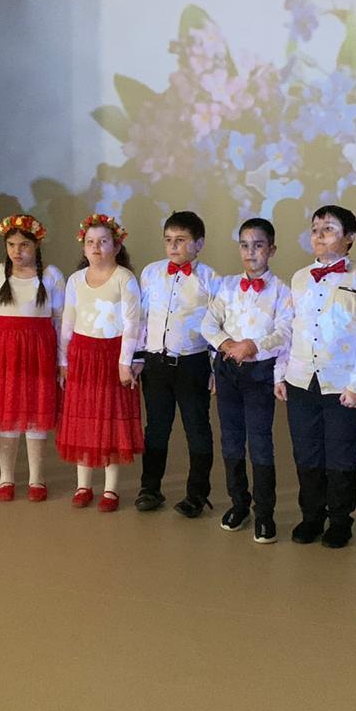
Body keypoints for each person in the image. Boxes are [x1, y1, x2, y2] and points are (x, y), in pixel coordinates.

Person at [274, 205, 356, 548]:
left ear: (349, 238)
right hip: (301, 378)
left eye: (329, 229)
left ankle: (340, 520)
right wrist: (280, 373)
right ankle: (311, 516)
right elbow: (289, 330)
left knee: (341, 455)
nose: (319, 235)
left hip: (342, 382)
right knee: (306, 453)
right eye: (315, 229)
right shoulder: (299, 278)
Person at [200, 217, 293, 544]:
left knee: (260, 441)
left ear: (272, 249)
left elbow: (284, 332)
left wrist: (253, 345)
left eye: (258, 245)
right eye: (244, 245)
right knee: (231, 438)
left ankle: (265, 513)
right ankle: (239, 503)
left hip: (259, 373)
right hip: (228, 369)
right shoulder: (226, 286)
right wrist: (227, 345)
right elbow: (208, 324)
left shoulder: (282, 290)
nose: (251, 252)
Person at [131, 211, 219, 518]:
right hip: (156, 363)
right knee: (156, 427)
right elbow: (141, 318)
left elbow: (219, 324)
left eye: (181, 240)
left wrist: (215, 368)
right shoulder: (151, 273)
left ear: (199, 244)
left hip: (192, 363)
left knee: (197, 427)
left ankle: (197, 494)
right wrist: (137, 356)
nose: (173, 246)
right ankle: (149, 488)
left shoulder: (210, 279)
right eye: (168, 240)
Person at [55, 213, 143, 512]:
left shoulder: (124, 278)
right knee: (84, 418)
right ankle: (83, 485)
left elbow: (132, 323)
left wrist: (124, 362)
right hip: (82, 356)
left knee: (109, 419)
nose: (96, 247)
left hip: (111, 357)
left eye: (103, 241)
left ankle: (110, 489)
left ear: (116, 246)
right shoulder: (75, 280)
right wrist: (64, 359)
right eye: (90, 242)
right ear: (83, 247)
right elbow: (68, 322)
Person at [0, 214, 65, 502]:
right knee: (8, 417)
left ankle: (36, 479)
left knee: (35, 417)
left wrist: (61, 360)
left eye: (24, 245)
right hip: (6, 352)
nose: (17, 251)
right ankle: (6, 477)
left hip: (39, 352)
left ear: (37, 244)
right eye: (11, 245)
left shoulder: (51, 275)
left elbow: (59, 319)